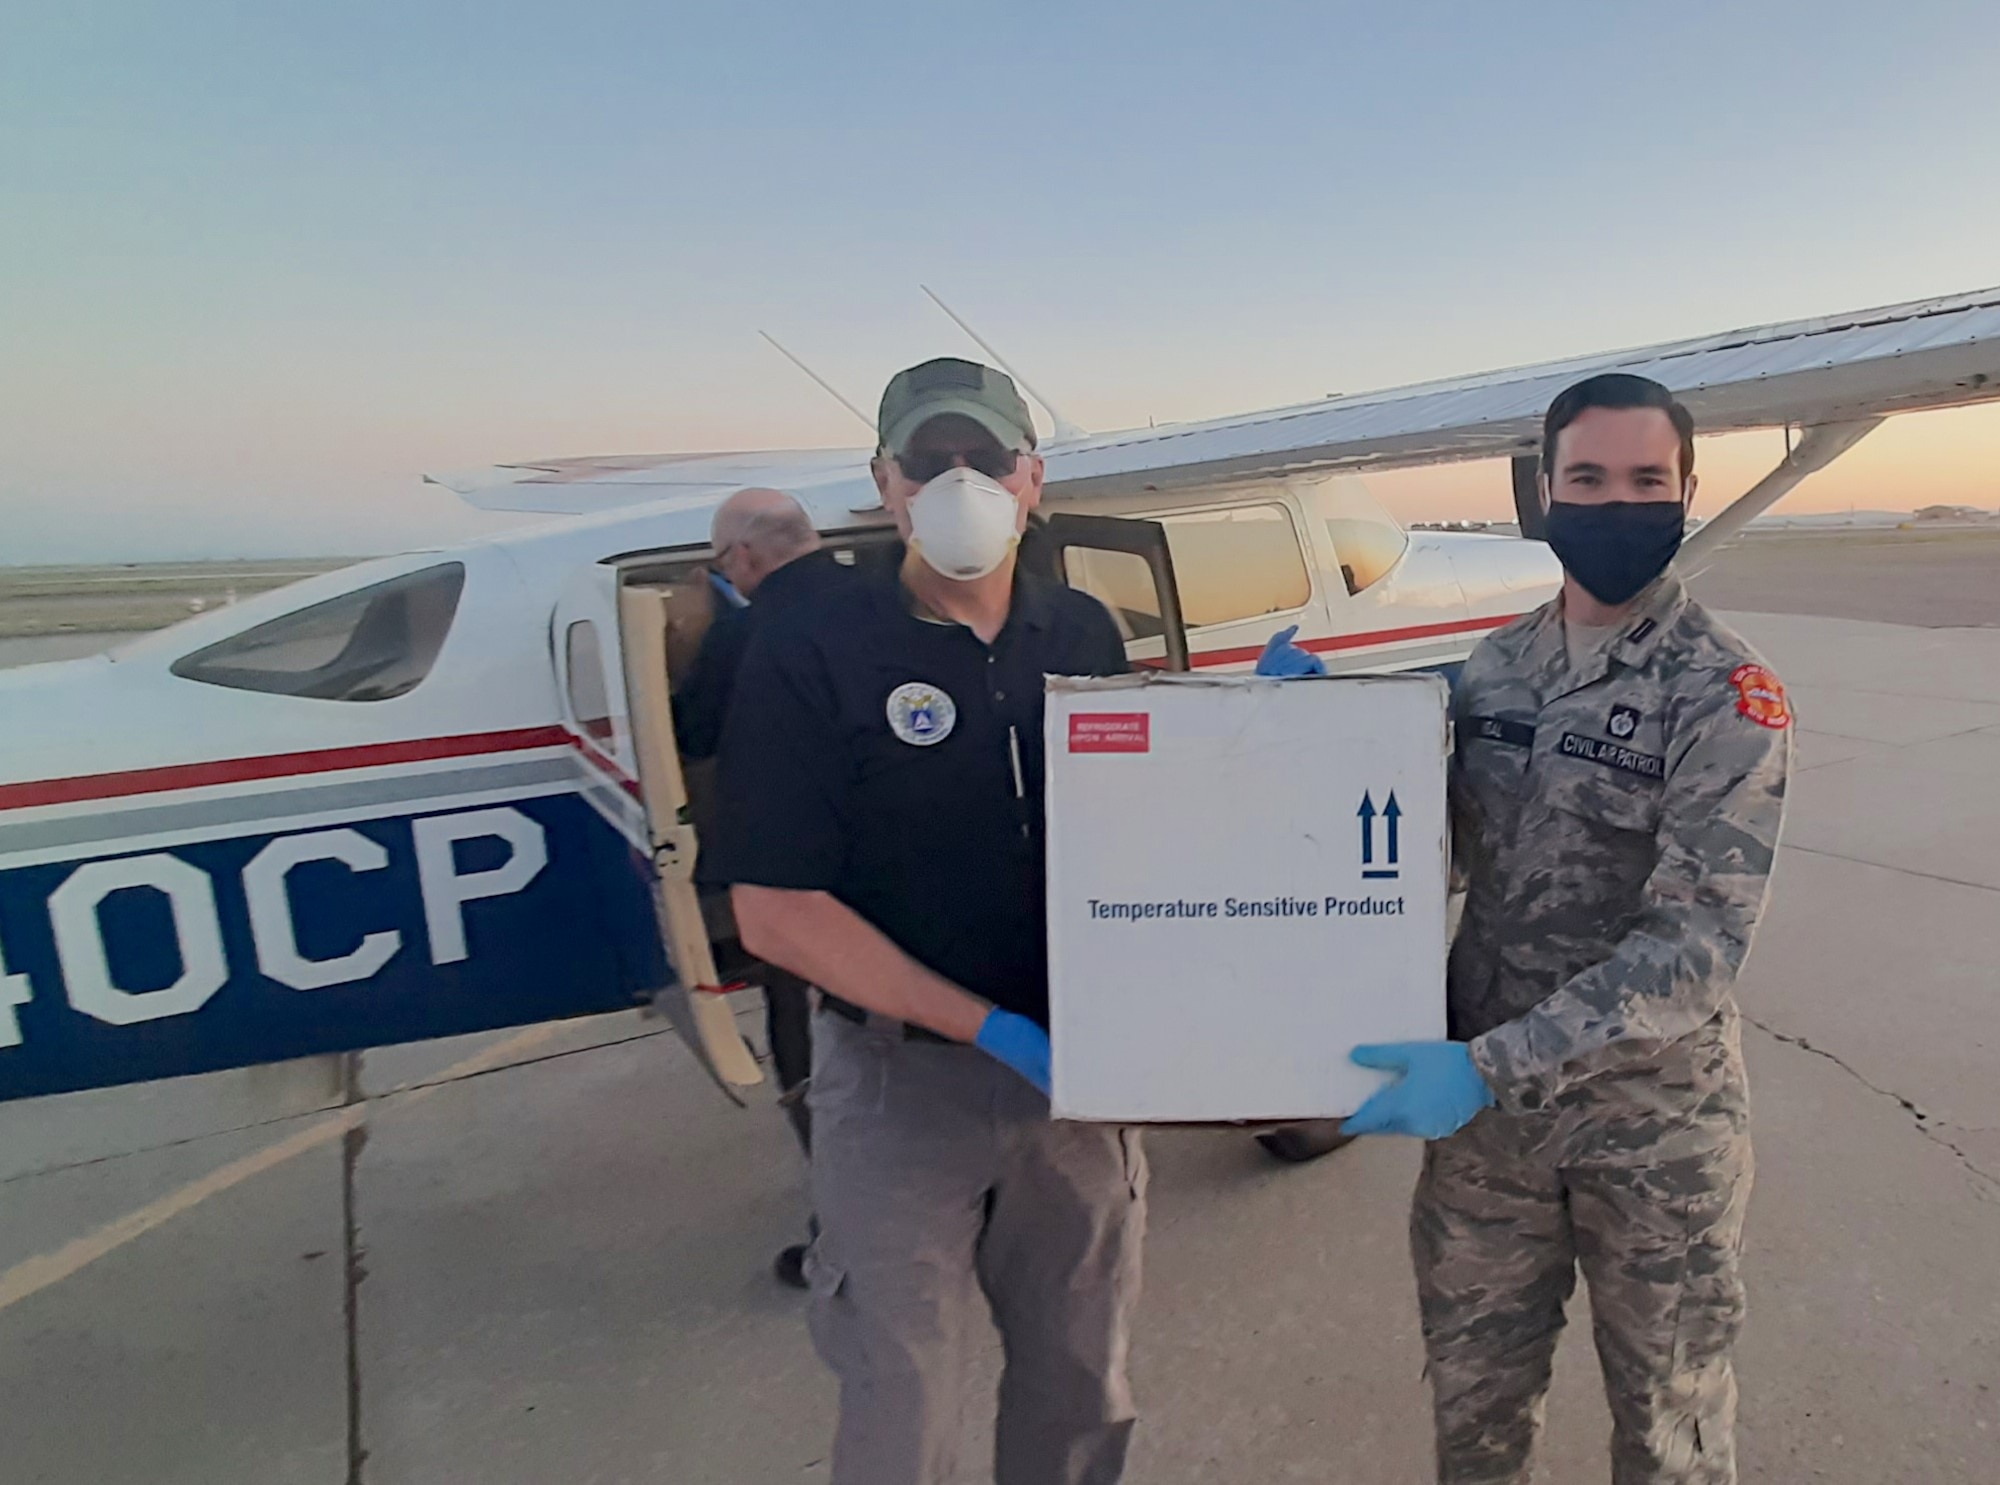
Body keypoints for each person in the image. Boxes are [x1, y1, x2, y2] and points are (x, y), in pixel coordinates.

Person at [1266, 373, 1792, 1484]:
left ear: (1686, 491)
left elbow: (1693, 950)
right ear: (1541, 491)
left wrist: (1485, 1064)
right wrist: (1319, 738)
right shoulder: (1492, 670)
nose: (1615, 504)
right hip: (1488, 1149)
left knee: (1669, 1434)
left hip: (1650, 1134)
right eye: (1586, 479)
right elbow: (1422, 854)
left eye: (1645, 481)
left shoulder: (1723, 689)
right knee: (1474, 1415)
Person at [706, 356, 1145, 1485]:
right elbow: (777, 912)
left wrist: (1273, 739)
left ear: (1031, 476)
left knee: (1078, 1387)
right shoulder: (812, 646)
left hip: (1078, 1087)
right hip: (901, 1093)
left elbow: (1148, 835)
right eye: (928, 460)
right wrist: (987, 1028)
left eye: (986, 457)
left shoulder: (1082, 634)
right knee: (901, 1411)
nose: (961, 481)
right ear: (884, 485)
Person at [676, 486, 852, 1289]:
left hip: (802, 886)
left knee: (812, 1048)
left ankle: (846, 1230)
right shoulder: (890, 601)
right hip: (901, 872)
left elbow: (693, 734)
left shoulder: (744, 633)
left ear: (743, 558)